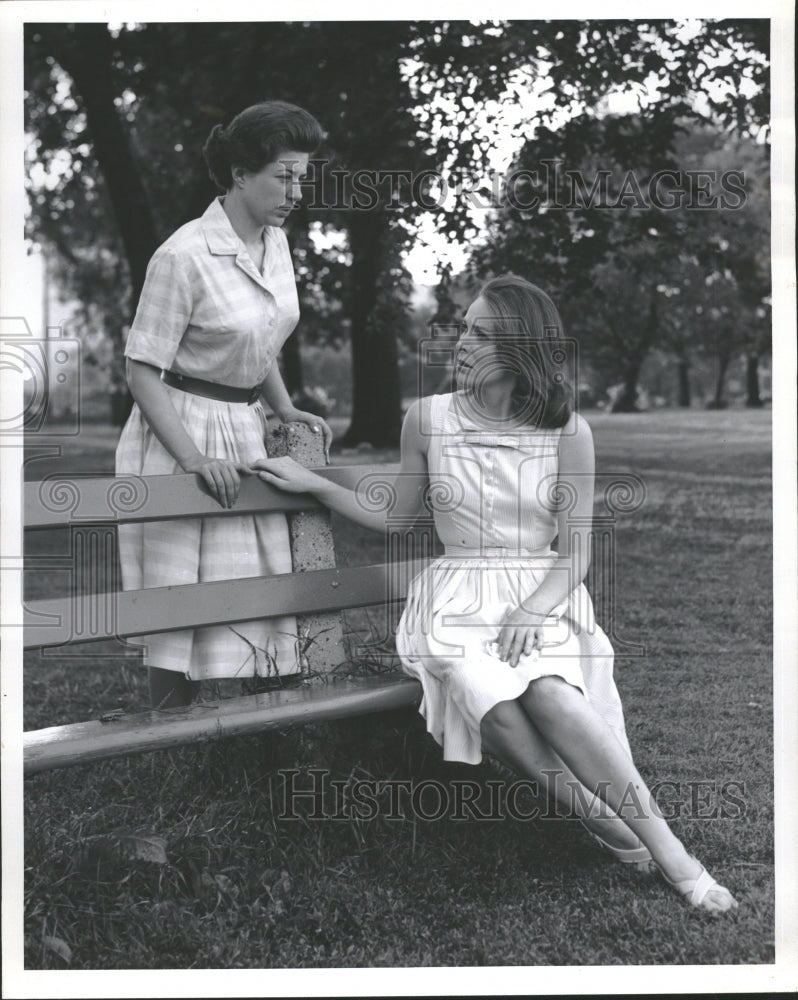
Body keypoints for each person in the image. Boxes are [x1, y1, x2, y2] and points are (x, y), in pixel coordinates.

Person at [253, 274, 738, 913]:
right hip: (456, 598)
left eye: (483, 333)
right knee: (493, 703)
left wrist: (535, 609)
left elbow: (576, 553)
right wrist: (312, 483)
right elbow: (397, 517)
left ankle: (672, 855)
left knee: (551, 696)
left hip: (543, 588)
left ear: (520, 349)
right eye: (465, 327)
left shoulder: (569, 433)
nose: (463, 342)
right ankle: (603, 818)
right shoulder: (427, 419)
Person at [116, 101, 332, 709]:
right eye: (283, 176)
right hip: (178, 429)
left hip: (244, 429)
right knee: (178, 594)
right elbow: (141, 370)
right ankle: (171, 739)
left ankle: (250, 736)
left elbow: (259, 342)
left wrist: (284, 410)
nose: (296, 190)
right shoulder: (182, 255)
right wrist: (190, 459)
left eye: (302, 177)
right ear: (240, 173)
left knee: (250, 582)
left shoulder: (277, 243)